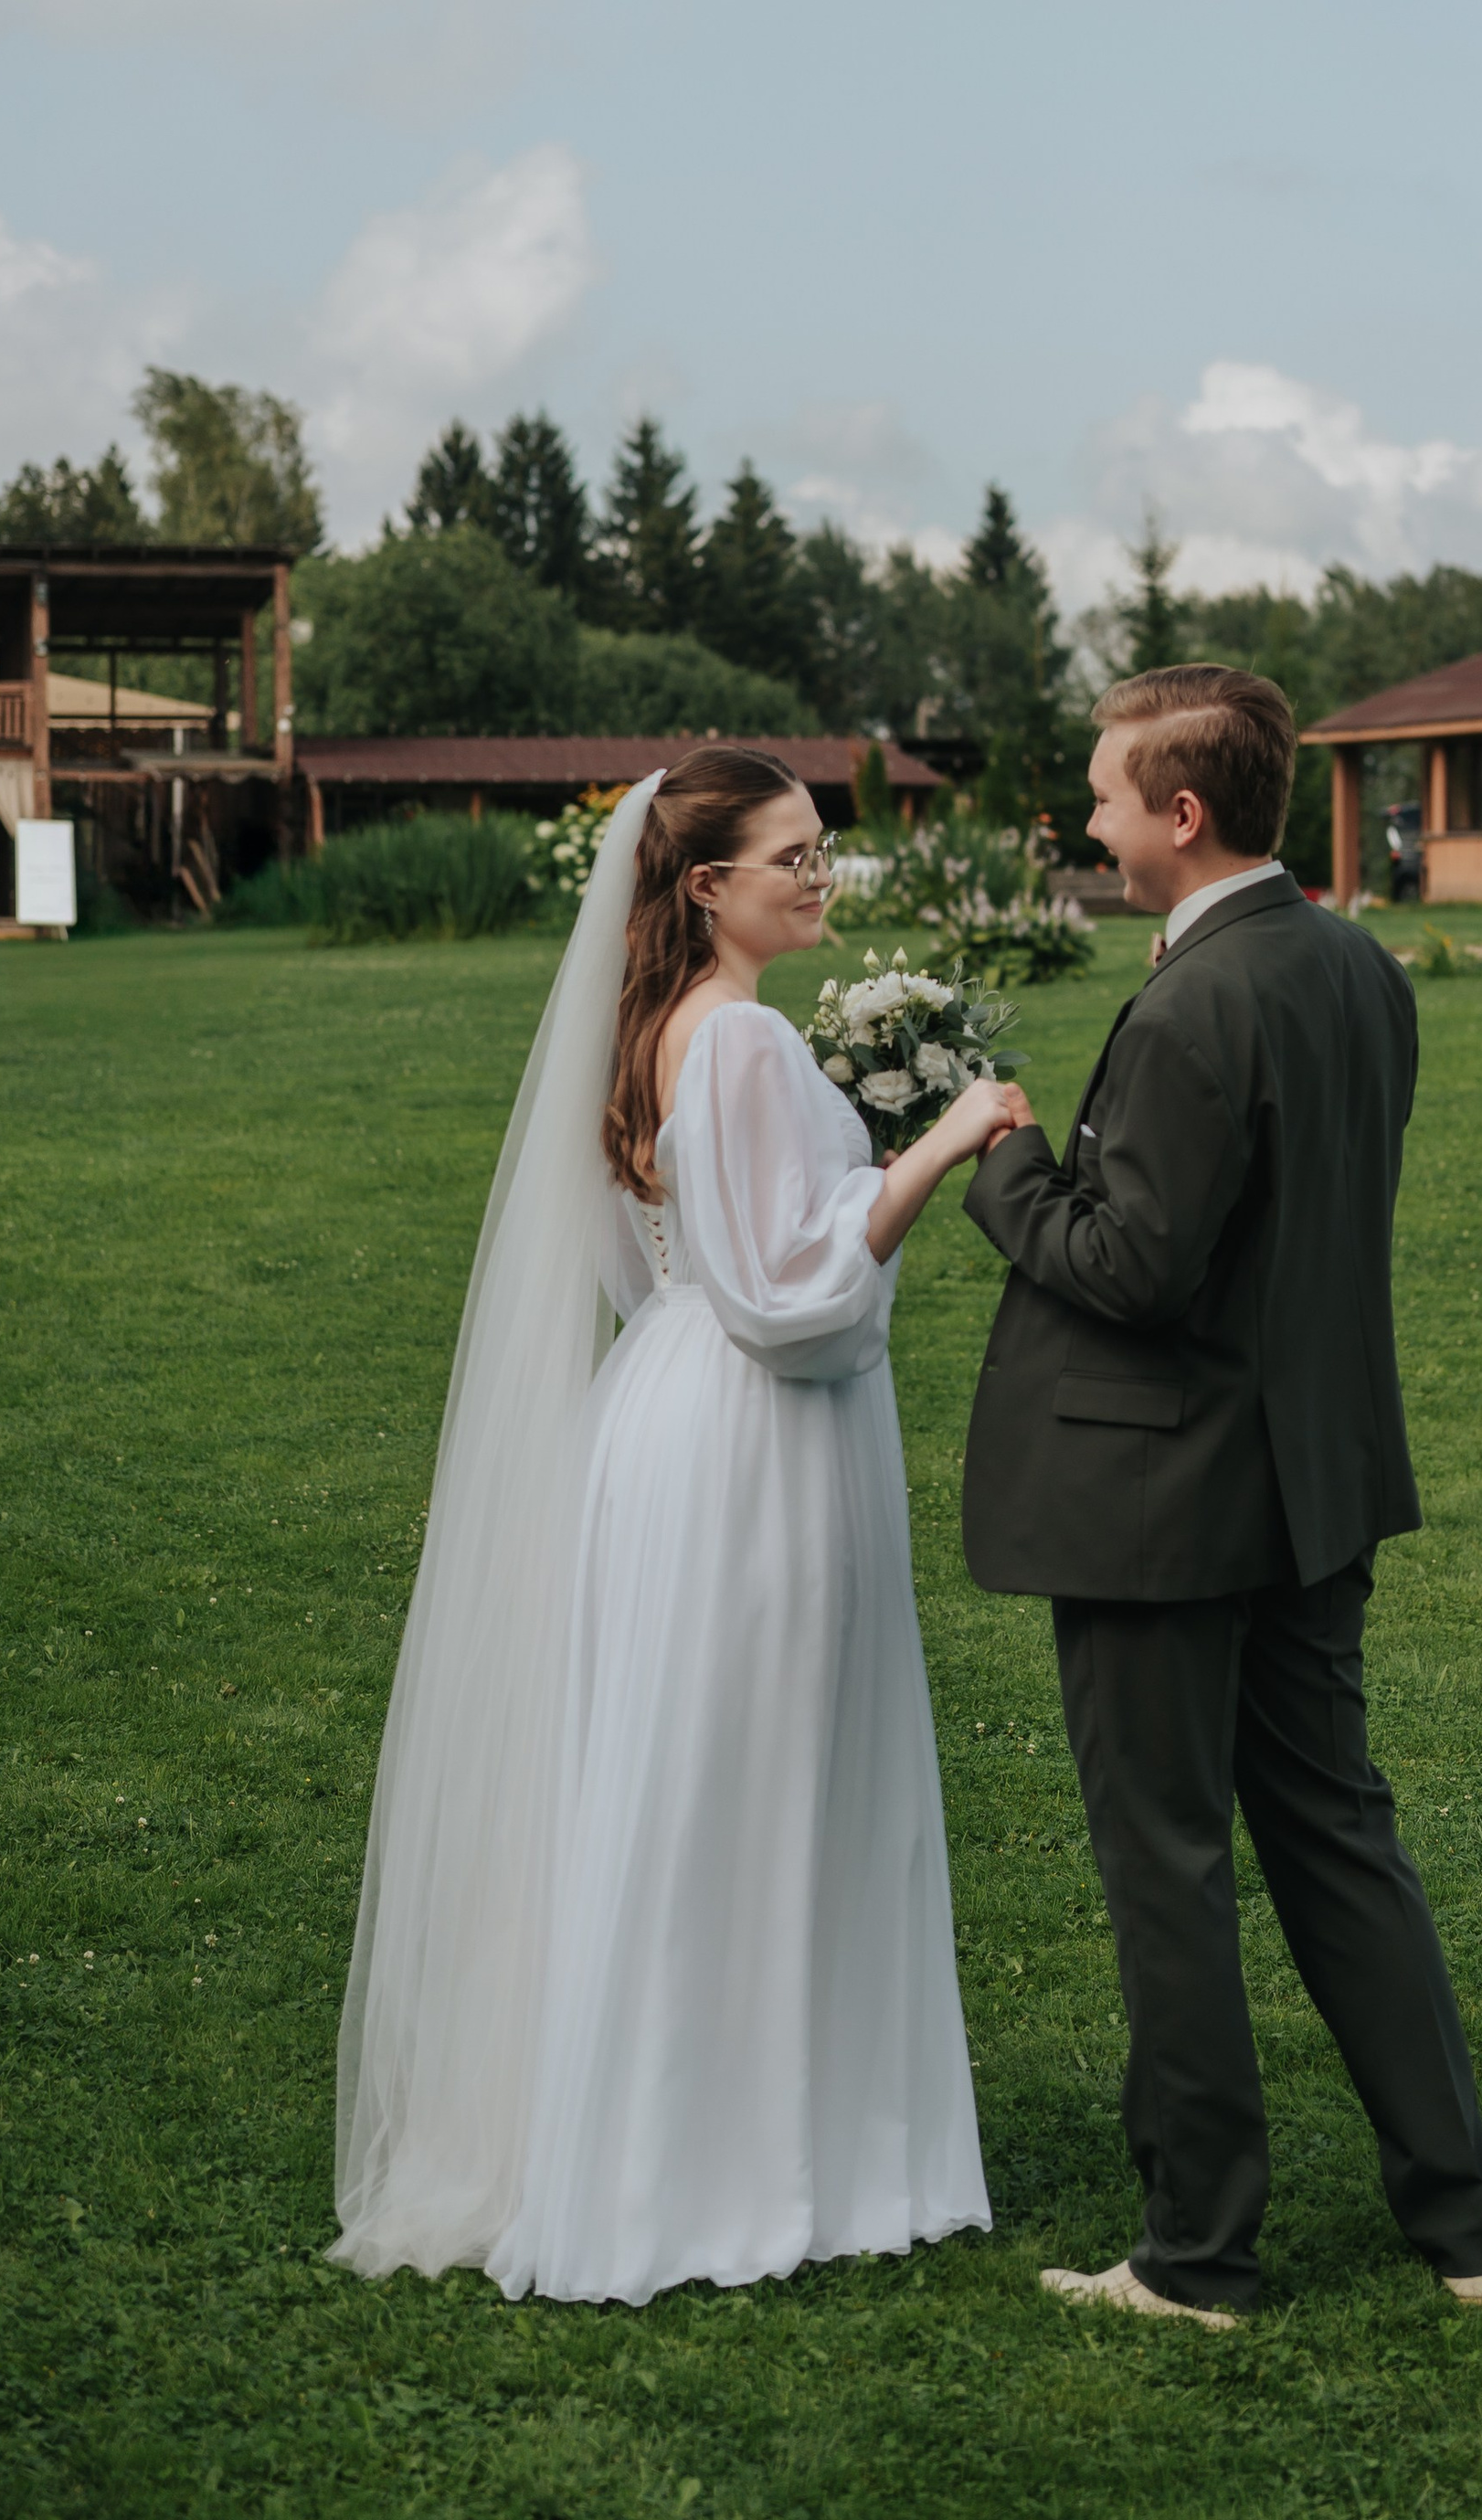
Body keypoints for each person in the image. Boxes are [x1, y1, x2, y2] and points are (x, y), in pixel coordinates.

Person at [332, 747, 1011, 2305]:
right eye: (792, 855)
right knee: (761, 1782)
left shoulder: (647, 1033)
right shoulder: (753, 1045)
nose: (820, 873)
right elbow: (787, 1297)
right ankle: (744, 2166)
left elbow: (673, 1272)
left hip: (659, 1414)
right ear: (706, 886)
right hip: (760, 1441)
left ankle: (659, 2137)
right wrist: (937, 1141)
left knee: (677, 1775)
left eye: (823, 848)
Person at [960, 667, 1482, 2332]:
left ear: (1182, 815)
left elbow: (1129, 1264)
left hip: (1165, 1496)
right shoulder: (1354, 962)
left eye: (1107, 796)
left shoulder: (1201, 1002)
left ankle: (1199, 2254)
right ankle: (1465, 2225)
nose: (1091, 820)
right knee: (1338, 1838)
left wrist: (1003, 1159)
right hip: (1309, 1480)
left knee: (1168, 1862)